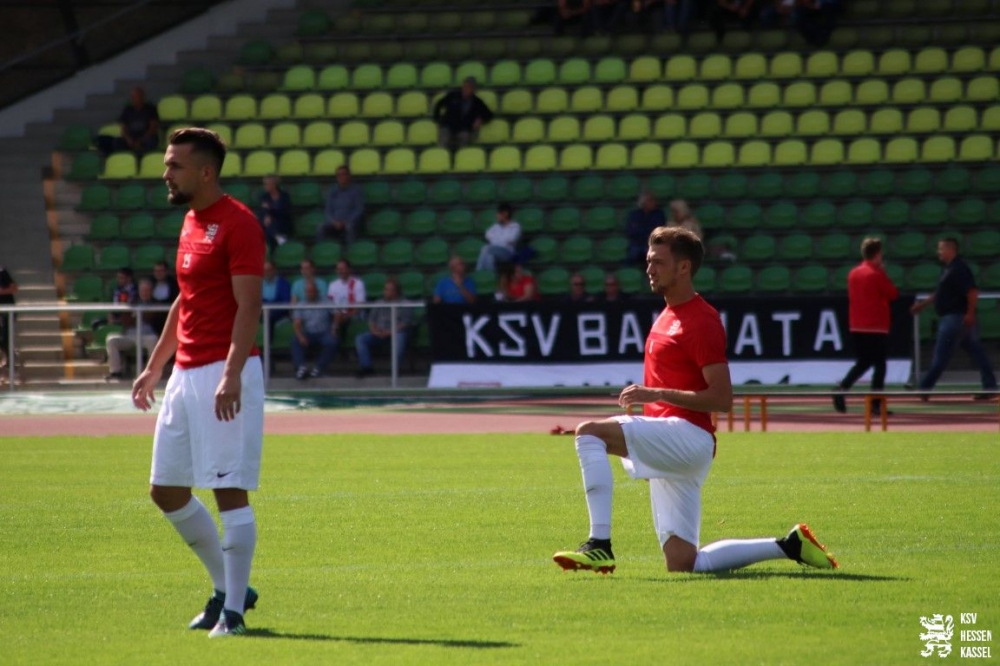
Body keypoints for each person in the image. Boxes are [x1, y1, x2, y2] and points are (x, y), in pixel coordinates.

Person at [552, 226, 839, 575]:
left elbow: (722, 398)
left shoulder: (701, 320)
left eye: (658, 262)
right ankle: (789, 545)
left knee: (589, 433)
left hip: (687, 437)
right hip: (673, 441)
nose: (649, 269)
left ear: (684, 267)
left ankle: (599, 544)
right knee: (683, 563)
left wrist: (657, 394)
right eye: (648, 261)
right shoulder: (666, 316)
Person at [131, 127, 266, 638]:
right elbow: (186, 299)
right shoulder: (191, 221)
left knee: (229, 491)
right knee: (165, 490)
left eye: (175, 165)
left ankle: (232, 615)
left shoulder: (240, 223)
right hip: (185, 373)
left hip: (223, 372)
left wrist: (231, 373)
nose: (165, 173)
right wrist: (155, 365)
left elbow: (249, 306)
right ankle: (228, 589)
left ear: (205, 172)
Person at [910, 237, 997, 400]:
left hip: (955, 319)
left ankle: (924, 387)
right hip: (958, 319)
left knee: (941, 355)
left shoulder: (959, 269)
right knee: (977, 352)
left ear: (951, 250)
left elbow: (972, 292)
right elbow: (940, 293)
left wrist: (970, 313)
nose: (938, 252)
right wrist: (922, 305)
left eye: (941, 248)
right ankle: (990, 386)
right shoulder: (949, 269)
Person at [832, 238, 899, 414]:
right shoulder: (875, 274)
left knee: (864, 362)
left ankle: (842, 388)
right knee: (880, 365)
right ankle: (875, 404)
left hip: (857, 325)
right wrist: (883, 273)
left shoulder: (853, 273)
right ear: (877, 255)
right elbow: (892, 293)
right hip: (875, 326)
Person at [355, 277, 413, 378]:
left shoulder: (406, 303)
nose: (386, 292)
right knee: (361, 339)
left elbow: (405, 323)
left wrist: (389, 332)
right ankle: (367, 367)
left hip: (396, 332)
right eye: (385, 289)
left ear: (396, 291)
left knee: (400, 338)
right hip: (379, 332)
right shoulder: (379, 302)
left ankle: (394, 370)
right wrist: (374, 331)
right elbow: (371, 320)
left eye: (389, 290)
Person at [106, 278, 160, 381]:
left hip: (146, 336)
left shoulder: (156, 303)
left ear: (151, 291)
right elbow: (125, 320)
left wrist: (135, 317)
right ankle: (115, 372)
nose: (144, 293)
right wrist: (137, 317)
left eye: (147, 290)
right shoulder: (132, 302)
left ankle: (149, 372)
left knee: (154, 339)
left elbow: (150, 317)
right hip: (130, 335)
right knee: (112, 340)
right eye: (142, 290)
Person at [290, 278, 338, 380]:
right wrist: (300, 336)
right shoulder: (301, 304)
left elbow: (337, 314)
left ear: (317, 291)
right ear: (305, 293)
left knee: (332, 341)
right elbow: (297, 323)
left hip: (324, 333)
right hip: (307, 333)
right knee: (295, 340)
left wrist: (334, 328)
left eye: (312, 291)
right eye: (308, 292)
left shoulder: (326, 301)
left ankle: (318, 368)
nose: (310, 293)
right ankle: (301, 368)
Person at [433, 76, 494, 151]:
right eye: (465, 86)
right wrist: (437, 118)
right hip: (448, 126)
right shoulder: (453, 96)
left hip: (463, 129)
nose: (466, 89)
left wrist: (480, 119)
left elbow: (489, 115)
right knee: (443, 140)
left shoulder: (477, 102)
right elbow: (439, 104)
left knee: (464, 139)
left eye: (469, 87)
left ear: (473, 90)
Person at [319, 166, 364, 245]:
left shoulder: (356, 191)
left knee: (350, 227)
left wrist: (347, 221)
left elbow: (359, 209)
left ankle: (350, 251)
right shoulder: (332, 191)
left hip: (349, 222)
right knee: (321, 227)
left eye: (343, 174)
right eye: (338, 175)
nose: (341, 177)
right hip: (335, 223)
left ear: (348, 176)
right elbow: (328, 210)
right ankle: (322, 250)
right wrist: (333, 222)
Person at [326, 258, 367, 347]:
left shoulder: (358, 283)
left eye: (342, 269)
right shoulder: (333, 285)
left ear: (349, 269)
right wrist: (338, 314)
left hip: (353, 314)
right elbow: (330, 304)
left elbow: (360, 305)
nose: (340, 271)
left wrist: (346, 315)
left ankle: (338, 344)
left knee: (340, 322)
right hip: (337, 315)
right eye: (338, 269)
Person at [476, 203, 522, 273]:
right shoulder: (496, 226)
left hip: (507, 253)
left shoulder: (515, 226)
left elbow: (511, 240)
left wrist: (496, 240)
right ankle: (491, 276)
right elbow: (487, 235)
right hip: (494, 251)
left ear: (505, 214)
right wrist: (501, 240)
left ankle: (478, 272)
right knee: (490, 256)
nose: (497, 216)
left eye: (498, 214)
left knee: (486, 248)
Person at [113, 86, 160, 154]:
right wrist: (128, 139)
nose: (134, 99)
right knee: (117, 142)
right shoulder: (127, 110)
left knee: (151, 141)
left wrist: (141, 140)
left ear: (142, 97)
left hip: (145, 137)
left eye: (137, 97)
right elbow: (124, 128)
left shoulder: (150, 109)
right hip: (131, 137)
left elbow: (152, 128)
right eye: (133, 97)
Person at [625, 192, 666, 266]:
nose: (654, 202)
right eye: (650, 200)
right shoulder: (634, 215)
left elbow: (656, 231)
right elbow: (631, 231)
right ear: (643, 203)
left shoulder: (659, 214)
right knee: (632, 253)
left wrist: (641, 230)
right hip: (637, 242)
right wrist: (645, 231)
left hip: (652, 243)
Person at [256, 175, 292, 252]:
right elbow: (262, 211)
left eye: (267, 184)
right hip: (268, 224)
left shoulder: (284, 196)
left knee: (269, 229)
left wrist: (271, 211)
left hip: (282, 223)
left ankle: (275, 244)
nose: (265, 186)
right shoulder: (264, 197)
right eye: (264, 184)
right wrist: (267, 216)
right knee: (267, 226)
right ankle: (279, 239)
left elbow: (284, 212)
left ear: (274, 185)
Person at [261, 259, 291, 334]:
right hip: (262, 311)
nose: (266, 272)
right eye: (265, 270)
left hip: (278, 311)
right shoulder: (259, 283)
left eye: (269, 270)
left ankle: (268, 341)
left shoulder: (283, 283)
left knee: (269, 317)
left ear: (274, 270)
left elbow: (286, 301)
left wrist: (272, 309)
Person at [149, 260, 179, 336]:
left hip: (168, 318)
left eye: (161, 271)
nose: (158, 273)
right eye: (156, 271)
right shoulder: (150, 283)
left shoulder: (174, 285)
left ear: (166, 271)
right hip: (153, 319)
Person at [0, 263, 18, 374]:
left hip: (7, 311)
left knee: (6, 337)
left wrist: (1, 291)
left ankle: (11, 362)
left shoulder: (2, 272)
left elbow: (14, 288)